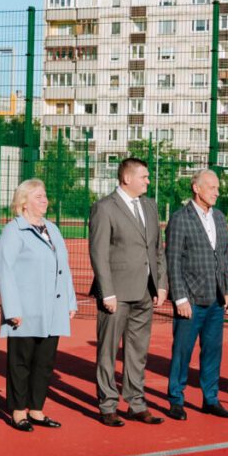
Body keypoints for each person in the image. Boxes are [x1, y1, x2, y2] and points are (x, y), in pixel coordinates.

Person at [89, 158, 168, 428]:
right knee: (108, 352)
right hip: (116, 294)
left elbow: (157, 249)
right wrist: (106, 292)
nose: (148, 181)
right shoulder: (104, 208)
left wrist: (160, 283)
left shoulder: (149, 206)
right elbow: (98, 253)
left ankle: (136, 403)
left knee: (138, 352)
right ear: (127, 178)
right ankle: (108, 404)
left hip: (145, 292)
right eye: (144, 177)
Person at [0, 179, 77, 432]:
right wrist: (13, 309)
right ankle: (19, 412)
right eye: (39, 196)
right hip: (25, 311)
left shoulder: (52, 229)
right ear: (23, 203)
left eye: (45, 196)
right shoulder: (14, 231)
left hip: (52, 309)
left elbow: (64, 268)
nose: (45, 200)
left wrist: (70, 300)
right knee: (20, 362)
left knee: (44, 361)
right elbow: (5, 271)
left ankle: (37, 410)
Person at [164, 169, 228, 421]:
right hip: (191, 301)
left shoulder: (219, 217)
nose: (217, 192)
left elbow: (225, 256)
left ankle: (211, 399)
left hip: (216, 300)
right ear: (197, 188)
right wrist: (180, 298)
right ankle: (176, 399)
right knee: (182, 351)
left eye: (217, 188)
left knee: (212, 352)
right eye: (212, 187)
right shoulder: (180, 219)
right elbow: (172, 261)